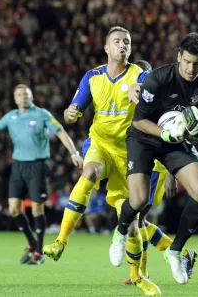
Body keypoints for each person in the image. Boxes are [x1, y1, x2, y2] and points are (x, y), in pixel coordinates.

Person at [43, 26, 161, 295]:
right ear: (107, 48)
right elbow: (71, 112)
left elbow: (149, 97)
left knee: (130, 221)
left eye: (127, 42)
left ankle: (138, 277)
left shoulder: (139, 75)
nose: (122, 45)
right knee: (90, 173)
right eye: (117, 41)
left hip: (130, 154)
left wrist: (140, 93)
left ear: (130, 49)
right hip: (99, 144)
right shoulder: (92, 77)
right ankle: (60, 242)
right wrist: (71, 113)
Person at [109, 32, 198, 284]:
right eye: (186, 62)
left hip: (175, 141)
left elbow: (193, 126)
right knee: (138, 200)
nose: (191, 69)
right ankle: (121, 231)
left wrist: (195, 132)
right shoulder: (158, 79)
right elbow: (139, 120)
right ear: (178, 57)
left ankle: (175, 251)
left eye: (196, 64)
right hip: (144, 137)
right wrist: (167, 133)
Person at [121, 60, 197, 286]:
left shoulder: (157, 97)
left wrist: (171, 174)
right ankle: (179, 256)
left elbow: (168, 138)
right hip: (141, 162)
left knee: (139, 218)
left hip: (155, 169)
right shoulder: (139, 97)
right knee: (139, 219)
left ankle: (143, 272)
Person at [0, 84, 83, 265]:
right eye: (19, 95)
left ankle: (39, 252)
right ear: (15, 99)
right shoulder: (11, 117)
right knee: (13, 209)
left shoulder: (42, 114)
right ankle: (32, 243)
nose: (23, 97)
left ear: (32, 96)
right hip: (18, 166)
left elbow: (60, 131)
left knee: (37, 208)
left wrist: (74, 153)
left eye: (26, 94)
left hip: (38, 165)